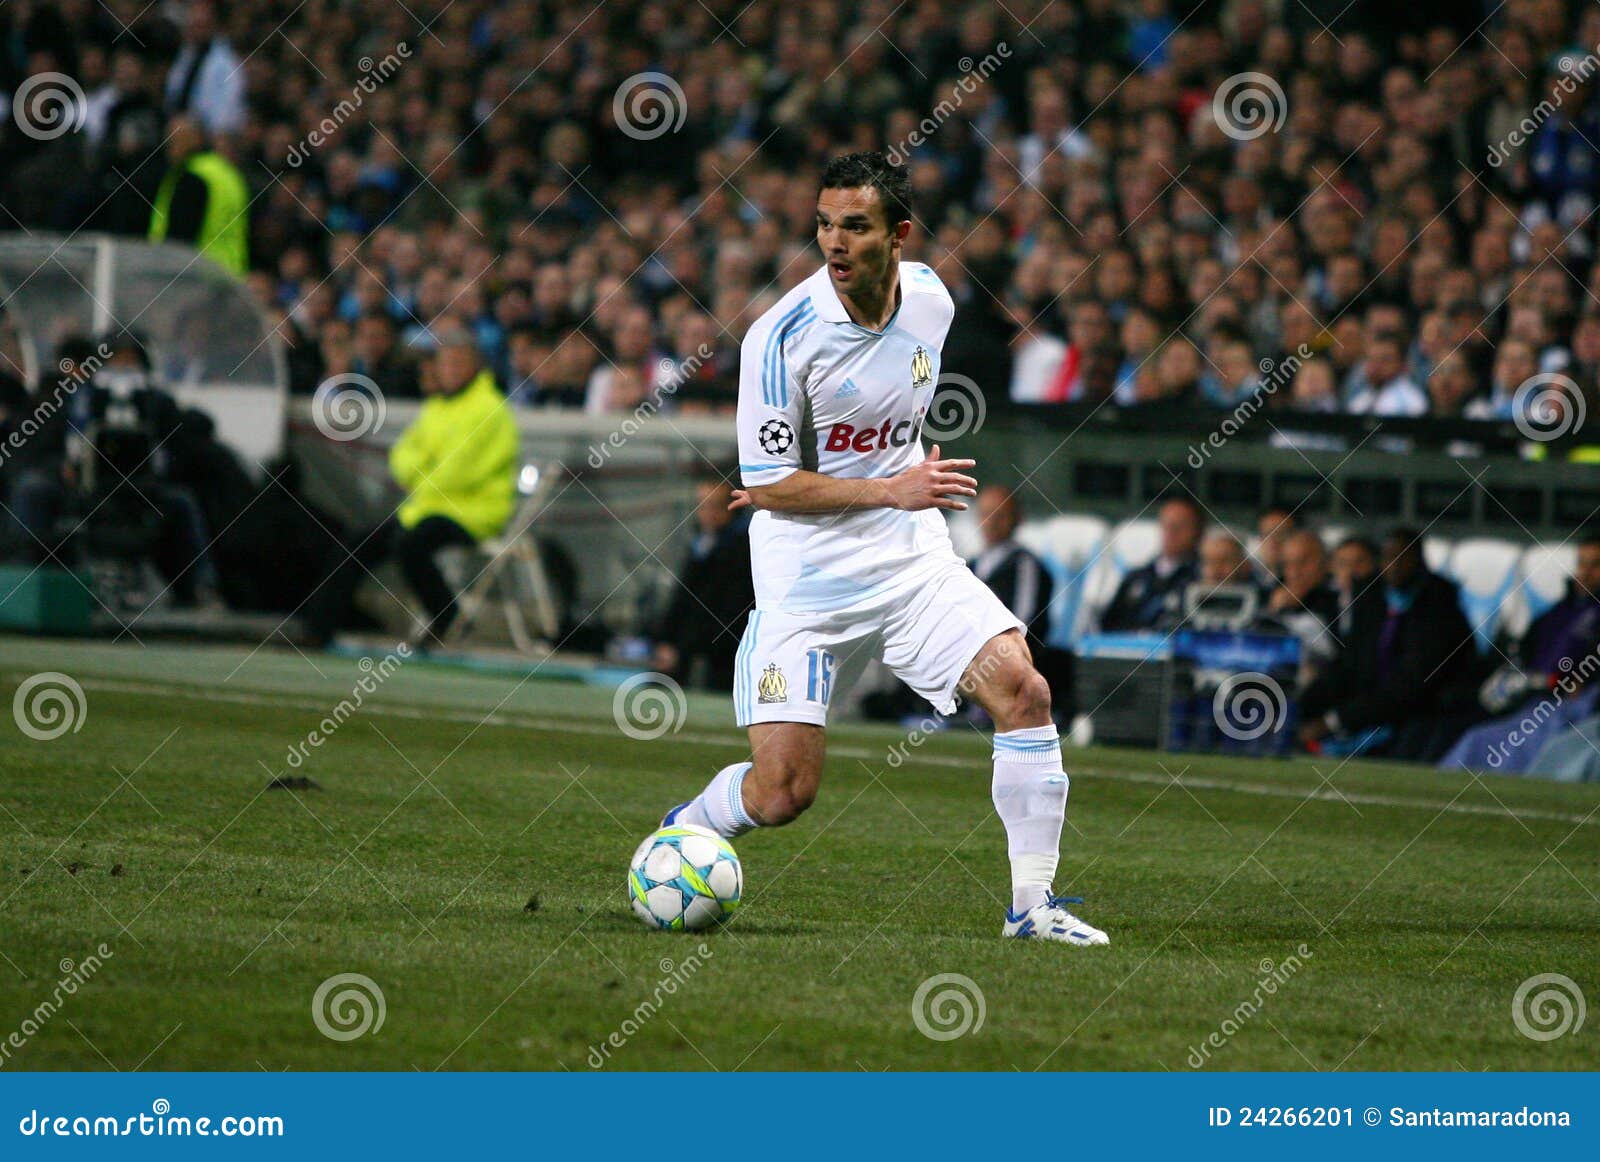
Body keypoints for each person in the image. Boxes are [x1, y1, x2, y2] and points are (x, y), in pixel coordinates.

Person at [658, 153, 1107, 946]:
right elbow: (765, 485)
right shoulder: (780, 336)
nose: (835, 241)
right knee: (784, 793)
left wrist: (889, 482)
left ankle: (1032, 908)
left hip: (908, 559)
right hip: (806, 576)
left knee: (1024, 691)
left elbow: (885, 424)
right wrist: (875, 486)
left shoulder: (931, 300)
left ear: (898, 235)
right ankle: (685, 831)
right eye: (825, 224)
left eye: (855, 226)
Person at [301, 326, 518, 647]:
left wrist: (417, 473)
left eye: (457, 363)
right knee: (357, 544)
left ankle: (448, 620)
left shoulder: (490, 410)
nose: (450, 371)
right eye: (445, 364)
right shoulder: (439, 406)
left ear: (475, 365)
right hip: (426, 507)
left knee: (411, 545)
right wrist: (421, 472)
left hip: (473, 513)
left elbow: (456, 473)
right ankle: (317, 630)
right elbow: (402, 455)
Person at [1299, 529, 1482, 761]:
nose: (1394, 566)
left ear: (1419, 562)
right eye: (1388, 557)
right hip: (1372, 707)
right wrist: (1304, 705)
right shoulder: (1371, 597)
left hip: (1429, 711)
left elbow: (1412, 685)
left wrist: (1336, 720)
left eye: (1403, 558)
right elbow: (1349, 664)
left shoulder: (1438, 606)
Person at [1439, 534, 1600, 775]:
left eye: (1596, 565)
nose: (1585, 572)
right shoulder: (1560, 611)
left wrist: (1567, 682)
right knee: (1461, 723)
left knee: (1500, 742)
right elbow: (1525, 651)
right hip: (1534, 697)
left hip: (1573, 707)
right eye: (1581, 563)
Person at [651, 477, 755, 690]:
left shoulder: (739, 549)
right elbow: (683, 596)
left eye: (713, 506)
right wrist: (666, 639)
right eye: (701, 506)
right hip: (689, 645)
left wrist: (681, 648)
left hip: (720, 653)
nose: (706, 513)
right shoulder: (702, 542)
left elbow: (721, 607)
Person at [148, 115, 250, 275]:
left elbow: (179, 241)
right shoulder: (227, 174)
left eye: (175, 139)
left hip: (197, 275)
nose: (169, 146)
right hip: (229, 276)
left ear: (196, 138)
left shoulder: (192, 176)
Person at [1098, 495, 1204, 631]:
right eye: (1167, 524)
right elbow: (1107, 626)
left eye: (1180, 526)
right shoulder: (1136, 577)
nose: (1172, 532)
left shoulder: (1202, 579)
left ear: (1199, 531)